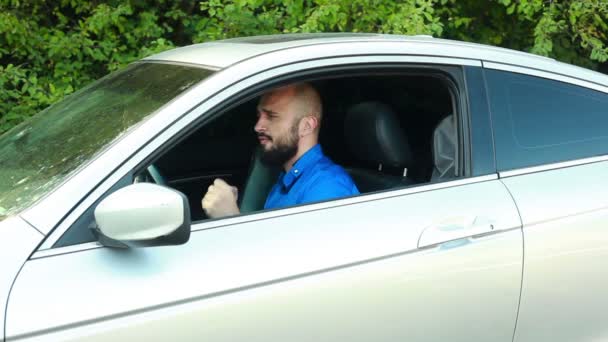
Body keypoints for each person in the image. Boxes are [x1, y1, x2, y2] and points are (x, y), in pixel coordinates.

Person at [201, 82, 359, 218]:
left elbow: (306, 253)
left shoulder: (327, 188)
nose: (257, 127)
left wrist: (230, 218)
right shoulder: (287, 175)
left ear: (306, 126)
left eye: (271, 116)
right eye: (259, 116)